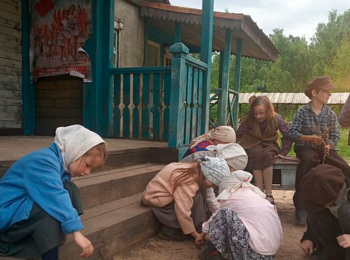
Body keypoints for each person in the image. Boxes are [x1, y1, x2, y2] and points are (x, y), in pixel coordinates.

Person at [0, 125, 107, 260]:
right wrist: (76, 232)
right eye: (87, 165)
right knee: (50, 210)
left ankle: (55, 233)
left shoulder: (56, 163)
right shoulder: (43, 162)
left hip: (20, 215)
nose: (87, 172)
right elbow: (55, 197)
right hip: (6, 224)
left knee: (69, 188)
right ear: (75, 151)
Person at [289, 76, 350, 225]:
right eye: (326, 91)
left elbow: (335, 136)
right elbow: (292, 133)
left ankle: (345, 204)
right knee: (309, 161)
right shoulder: (302, 112)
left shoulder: (330, 114)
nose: (329, 94)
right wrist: (308, 138)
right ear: (315, 93)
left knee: (344, 168)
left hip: (324, 148)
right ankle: (301, 205)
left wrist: (330, 144)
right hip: (306, 147)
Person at [141, 156, 231, 243]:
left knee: (201, 193)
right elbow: (183, 211)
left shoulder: (196, 170)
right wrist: (196, 235)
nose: (213, 186)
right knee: (197, 197)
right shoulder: (187, 182)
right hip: (158, 200)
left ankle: (197, 227)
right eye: (214, 182)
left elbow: (208, 199)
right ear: (207, 175)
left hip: (168, 197)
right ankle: (169, 230)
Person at [198, 170, 283, 260]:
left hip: (253, 254)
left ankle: (210, 253)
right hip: (269, 255)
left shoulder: (232, 197)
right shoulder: (255, 195)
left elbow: (215, 216)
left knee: (225, 213)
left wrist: (202, 235)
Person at [236, 96, 292, 204]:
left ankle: (269, 193)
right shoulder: (249, 119)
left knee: (266, 155)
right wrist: (230, 147)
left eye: (261, 113)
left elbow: (287, 135)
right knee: (256, 154)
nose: (258, 116)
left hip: (270, 144)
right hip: (251, 143)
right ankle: (259, 192)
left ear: (268, 110)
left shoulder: (277, 118)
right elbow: (239, 134)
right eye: (255, 113)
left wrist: (284, 151)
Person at [299, 164, 350, 260]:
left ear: (338, 193)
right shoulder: (322, 192)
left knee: (346, 212)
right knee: (316, 211)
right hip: (339, 239)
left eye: (323, 202)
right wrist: (309, 237)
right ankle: (331, 254)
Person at [181, 143, 248, 213]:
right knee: (199, 199)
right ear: (227, 159)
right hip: (182, 186)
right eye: (231, 168)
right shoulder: (210, 162)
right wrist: (221, 214)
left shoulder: (217, 160)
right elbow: (210, 196)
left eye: (234, 171)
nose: (231, 172)